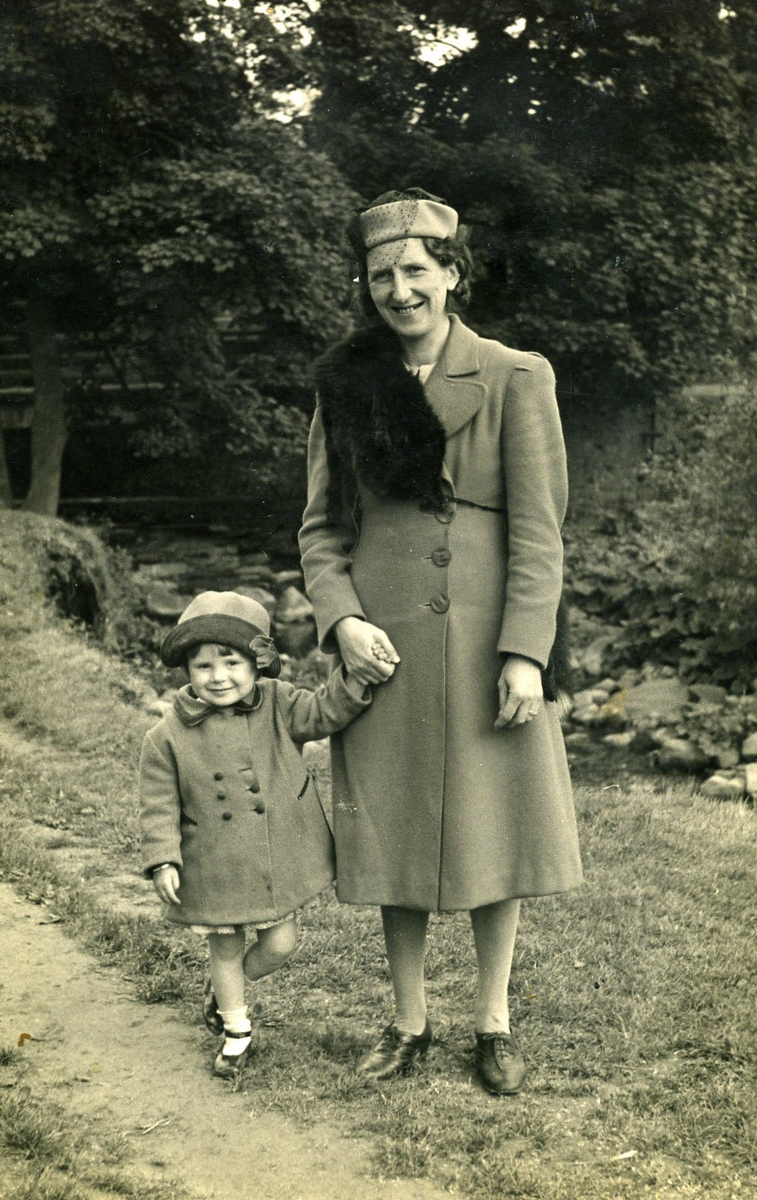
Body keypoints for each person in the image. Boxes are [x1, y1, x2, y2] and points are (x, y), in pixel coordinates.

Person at [298, 187, 582, 1096]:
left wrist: (525, 653)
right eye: (381, 275)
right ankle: (408, 1021)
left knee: (496, 828)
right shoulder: (347, 383)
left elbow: (539, 532)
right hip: (385, 647)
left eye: (417, 270)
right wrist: (343, 620)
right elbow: (320, 530)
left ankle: (492, 1023)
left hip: (486, 636)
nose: (399, 290)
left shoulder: (514, 376)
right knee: (396, 828)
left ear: (452, 274)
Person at [139, 590, 379, 1080]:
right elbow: (158, 804)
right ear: (187, 671)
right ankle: (236, 1030)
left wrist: (356, 675)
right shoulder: (166, 737)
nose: (218, 676)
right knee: (224, 946)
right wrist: (163, 858)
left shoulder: (278, 704)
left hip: (275, 857)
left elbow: (323, 712)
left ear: (257, 665)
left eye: (231, 662)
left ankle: (224, 988)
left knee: (281, 944)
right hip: (214, 861)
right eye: (203, 666)